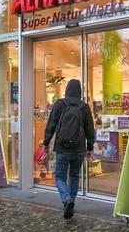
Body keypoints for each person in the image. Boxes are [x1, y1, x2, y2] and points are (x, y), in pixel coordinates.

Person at [43, 79, 95, 219]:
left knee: (59, 176)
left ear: (67, 90)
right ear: (80, 91)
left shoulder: (60, 104)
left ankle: (67, 200)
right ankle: (71, 201)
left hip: (62, 147)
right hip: (79, 149)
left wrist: (46, 142)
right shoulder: (84, 107)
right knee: (73, 176)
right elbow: (90, 129)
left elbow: (51, 124)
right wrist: (90, 146)